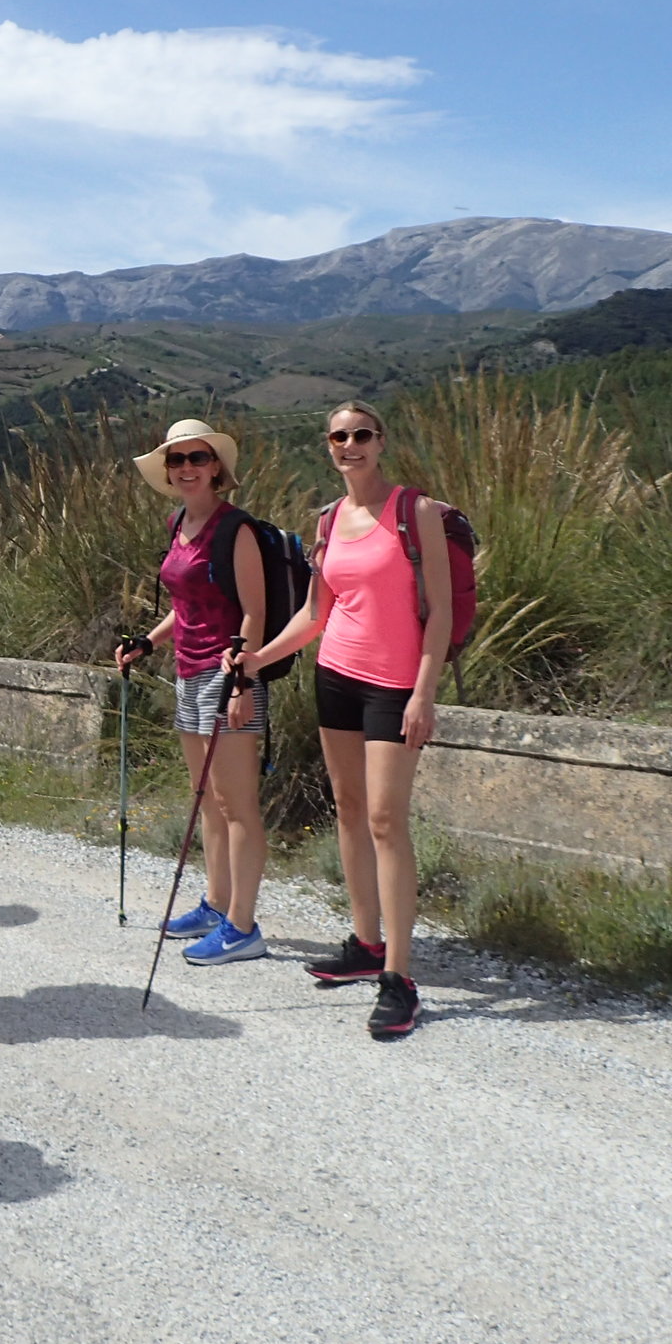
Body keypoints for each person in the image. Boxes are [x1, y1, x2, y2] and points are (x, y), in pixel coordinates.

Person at [236, 401, 453, 1042]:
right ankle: (365, 941)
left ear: (381, 442)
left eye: (361, 435)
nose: (350, 445)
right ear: (327, 446)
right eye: (339, 436)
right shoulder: (329, 520)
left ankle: (399, 977)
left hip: (394, 687)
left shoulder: (415, 513)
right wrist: (258, 659)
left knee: (387, 820)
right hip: (336, 677)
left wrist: (423, 694)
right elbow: (316, 613)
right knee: (350, 810)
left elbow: (438, 613)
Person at [114, 420, 268, 965]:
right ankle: (215, 902)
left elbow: (255, 611)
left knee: (237, 804)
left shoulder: (236, 530)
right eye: (176, 460)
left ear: (216, 467)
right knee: (207, 799)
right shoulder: (179, 522)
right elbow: (185, 608)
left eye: (196, 458)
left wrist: (241, 680)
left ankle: (243, 926)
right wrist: (147, 643)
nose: (186, 468)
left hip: (226, 677)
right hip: (188, 673)